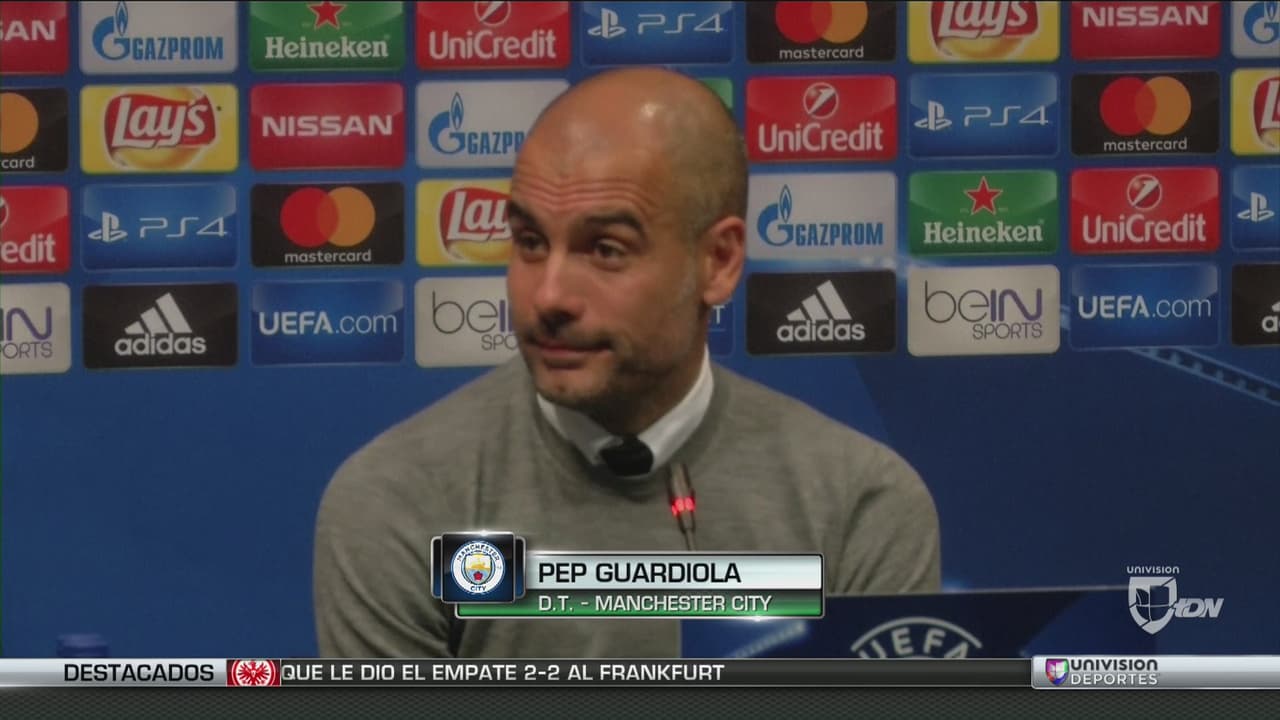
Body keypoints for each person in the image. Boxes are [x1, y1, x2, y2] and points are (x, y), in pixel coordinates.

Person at [314, 67, 940, 658]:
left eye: (606, 249)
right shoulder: (396, 499)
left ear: (718, 262)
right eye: (530, 242)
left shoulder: (859, 504)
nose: (549, 296)